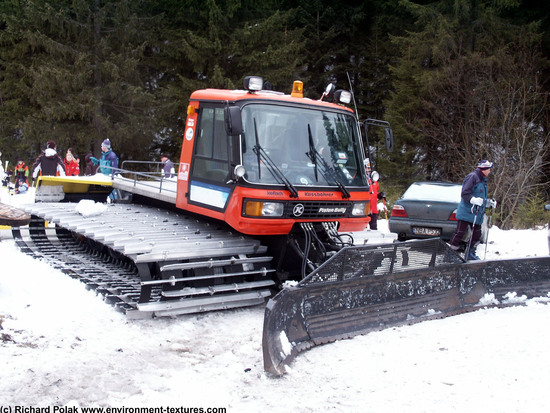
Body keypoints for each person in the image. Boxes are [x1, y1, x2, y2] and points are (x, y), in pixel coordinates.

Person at [448, 160, 497, 260]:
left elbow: (480, 198)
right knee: (460, 233)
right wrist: (472, 199)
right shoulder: (473, 177)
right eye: (489, 169)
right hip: (467, 211)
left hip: (477, 214)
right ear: (484, 169)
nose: (490, 171)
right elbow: (465, 193)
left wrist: (488, 203)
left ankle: (469, 253)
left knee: (477, 234)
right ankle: (450, 254)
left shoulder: (483, 180)